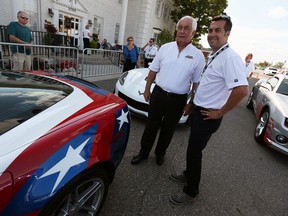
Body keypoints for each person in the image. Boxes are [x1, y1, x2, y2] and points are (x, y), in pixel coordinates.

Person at [169, 15, 249, 205]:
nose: (212, 34)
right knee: (192, 149)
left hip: (209, 115)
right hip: (199, 110)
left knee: (195, 152)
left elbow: (242, 90)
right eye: (210, 30)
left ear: (227, 34)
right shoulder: (217, 54)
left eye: (217, 30)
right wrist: (193, 103)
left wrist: (220, 112)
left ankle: (191, 190)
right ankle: (189, 174)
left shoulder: (230, 58)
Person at [130, 16, 205, 166]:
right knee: (151, 126)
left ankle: (160, 153)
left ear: (193, 33)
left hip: (178, 99)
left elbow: (196, 82)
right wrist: (147, 89)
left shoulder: (198, 56)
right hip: (158, 94)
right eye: (180, 27)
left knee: (168, 130)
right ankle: (143, 153)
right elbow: (153, 70)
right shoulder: (165, 48)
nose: (182, 31)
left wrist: (192, 102)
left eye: (186, 28)